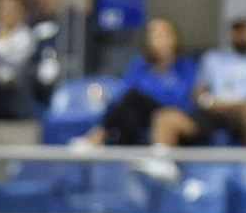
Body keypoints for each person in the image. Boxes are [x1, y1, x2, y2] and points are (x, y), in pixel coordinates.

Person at [138, 16, 246, 181]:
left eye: (245, 31)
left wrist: (245, 105)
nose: (241, 35)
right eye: (237, 31)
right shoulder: (213, 58)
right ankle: (163, 165)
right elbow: (198, 92)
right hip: (213, 110)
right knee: (166, 117)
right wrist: (210, 102)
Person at [75, 17, 196, 146]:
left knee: (134, 98)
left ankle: (99, 134)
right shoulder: (139, 64)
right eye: (153, 34)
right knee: (129, 114)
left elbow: (181, 100)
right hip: (140, 115)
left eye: (162, 34)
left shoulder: (186, 67)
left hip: (169, 113)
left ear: (174, 37)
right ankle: (124, 157)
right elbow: (124, 93)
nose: (157, 39)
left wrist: (148, 93)